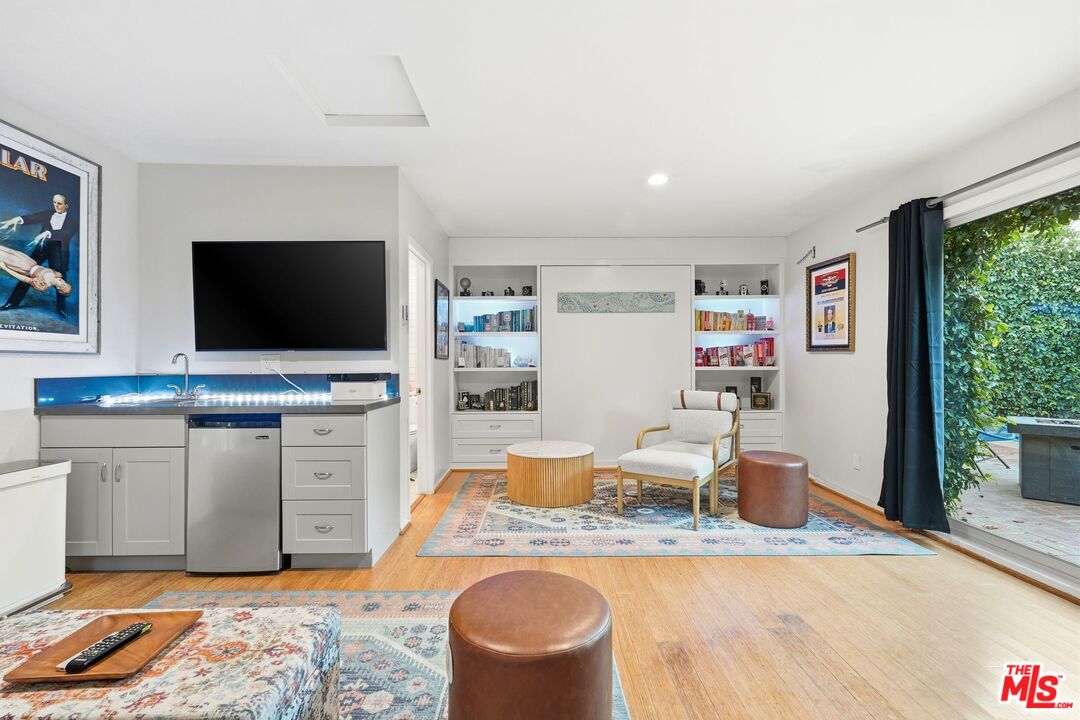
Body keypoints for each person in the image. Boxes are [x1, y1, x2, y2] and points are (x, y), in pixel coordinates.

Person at [0, 194, 77, 317]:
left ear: (66, 205)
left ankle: (61, 308)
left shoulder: (72, 223)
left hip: (58, 252)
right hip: (42, 247)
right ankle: (12, 302)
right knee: (27, 271)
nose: (56, 206)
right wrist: (17, 219)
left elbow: (65, 235)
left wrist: (47, 233)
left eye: (59, 204)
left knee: (61, 280)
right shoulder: (48, 213)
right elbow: (33, 218)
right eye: (54, 203)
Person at [0, 243, 72, 297]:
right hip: (29, 261)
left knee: (2, 255)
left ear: (58, 288)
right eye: (65, 282)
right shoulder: (57, 274)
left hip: (22, 267)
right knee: (5, 250)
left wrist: (5, 268)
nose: (63, 281)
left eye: (63, 285)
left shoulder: (43, 286)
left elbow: (22, 278)